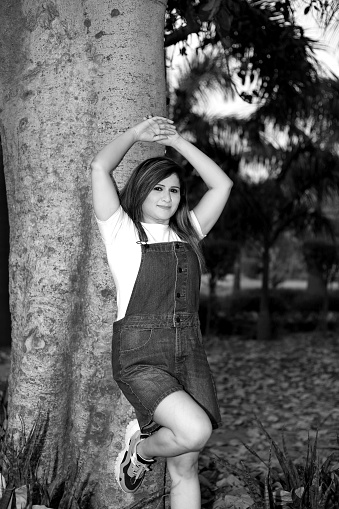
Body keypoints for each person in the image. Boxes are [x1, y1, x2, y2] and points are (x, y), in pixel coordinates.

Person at [91, 115, 233, 509]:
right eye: (158, 188)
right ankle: (143, 451)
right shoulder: (121, 230)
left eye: (174, 190)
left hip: (189, 353)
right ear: (140, 191)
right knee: (195, 432)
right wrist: (138, 134)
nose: (168, 197)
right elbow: (100, 167)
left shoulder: (188, 230)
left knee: (186, 467)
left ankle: (147, 451)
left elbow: (223, 185)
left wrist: (178, 143)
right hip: (141, 357)